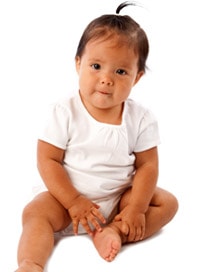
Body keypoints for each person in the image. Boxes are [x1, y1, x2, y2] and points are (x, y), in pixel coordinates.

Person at [15, 2, 178, 271]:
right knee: (35, 213)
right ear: (78, 64)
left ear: (136, 78)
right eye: (96, 66)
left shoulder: (140, 117)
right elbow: (48, 160)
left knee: (168, 204)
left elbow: (148, 165)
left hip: (118, 200)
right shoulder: (64, 111)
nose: (106, 79)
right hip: (65, 200)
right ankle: (31, 263)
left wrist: (135, 208)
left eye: (121, 71)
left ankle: (115, 231)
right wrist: (73, 201)